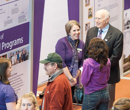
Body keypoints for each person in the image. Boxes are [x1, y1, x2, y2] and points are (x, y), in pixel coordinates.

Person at [84, 9, 123, 110]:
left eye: (99, 19)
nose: (96, 21)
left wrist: (101, 68)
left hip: (108, 77)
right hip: (91, 78)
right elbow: (87, 52)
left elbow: (116, 56)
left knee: (107, 106)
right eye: (95, 18)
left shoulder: (117, 34)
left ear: (107, 19)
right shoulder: (91, 31)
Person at [55, 20, 85, 99]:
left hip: (73, 80)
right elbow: (61, 63)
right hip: (62, 78)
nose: (77, 32)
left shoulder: (81, 43)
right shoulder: (62, 43)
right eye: (74, 30)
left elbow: (81, 63)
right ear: (69, 32)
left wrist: (74, 78)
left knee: (69, 102)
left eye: (78, 30)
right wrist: (70, 78)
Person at [81, 38, 111, 110]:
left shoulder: (88, 62)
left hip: (91, 94)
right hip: (105, 93)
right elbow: (107, 77)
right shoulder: (108, 61)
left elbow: (84, 81)